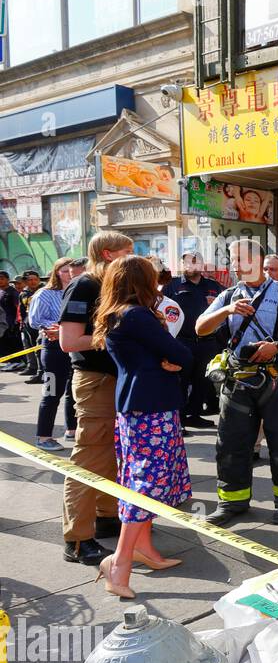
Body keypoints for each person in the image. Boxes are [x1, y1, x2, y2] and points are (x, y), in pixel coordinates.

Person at [195, 238, 278, 526]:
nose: (234, 265)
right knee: (231, 443)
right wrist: (227, 311)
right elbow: (200, 329)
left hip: (277, 379)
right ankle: (232, 502)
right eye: (232, 259)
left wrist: (277, 345)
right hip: (237, 380)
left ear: (256, 260)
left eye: (239, 259)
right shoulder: (228, 296)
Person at [91, 256, 193, 599]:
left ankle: (145, 550)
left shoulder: (117, 313)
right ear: (143, 281)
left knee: (139, 480)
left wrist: (168, 357)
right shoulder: (137, 315)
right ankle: (119, 564)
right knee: (146, 484)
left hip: (137, 405)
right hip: (151, 408)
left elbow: (166, 356)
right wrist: (172, 356)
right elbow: (182, 353)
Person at [58, 231, 136, 566]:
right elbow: (69, 342)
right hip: (95, 381)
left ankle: (106, 517)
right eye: (128, 251)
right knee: (89, 457)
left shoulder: (114, 285)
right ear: (107, 253)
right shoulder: (84, 286)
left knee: (113, 454)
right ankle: (77, 539)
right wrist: (120, 333)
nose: (136, 256)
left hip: (118, 379)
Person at [164, 250, 225, 430]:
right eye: (187, 262)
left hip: (207, 341)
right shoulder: (172, 285)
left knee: (203, 380)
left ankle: (195, 415)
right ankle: (179, 418)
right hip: (182, 340)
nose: (190, 266)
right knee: (181, 380)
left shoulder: (213, 286)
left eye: (195, 262)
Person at [28, 258, 83, 451]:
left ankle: (71, 429)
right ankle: (43, 436)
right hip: (53, 349)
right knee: (51, 394)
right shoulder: (44, 294)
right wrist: (54, 327)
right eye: (65, 270)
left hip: (75, 348)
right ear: (57, 272)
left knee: (72, 392)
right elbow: (34, 321)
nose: (69, 274)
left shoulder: (79, 291)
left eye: (72, 270)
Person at [18, 270, 43, 380]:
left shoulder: (44, 291)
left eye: (35, 279)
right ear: (25, 281)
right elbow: (22, 310)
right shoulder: (23, 294)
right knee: (31, 347)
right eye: (30, 280)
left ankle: (42, 371)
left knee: (41, 348)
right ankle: (34, 368)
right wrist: (23, 323)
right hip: (28, 325)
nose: (33, 282)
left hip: (42, 324)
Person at [0, 271, 20, 367]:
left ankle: (15, 362)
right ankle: (7, 362)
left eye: (2, 278)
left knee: (11, 343)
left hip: (11, 323)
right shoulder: (0, 291)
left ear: (8, 279)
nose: (0, 280)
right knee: (3, 343)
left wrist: (16, 322)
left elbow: (18, 307)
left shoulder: (13, 292)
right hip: (1, 323)